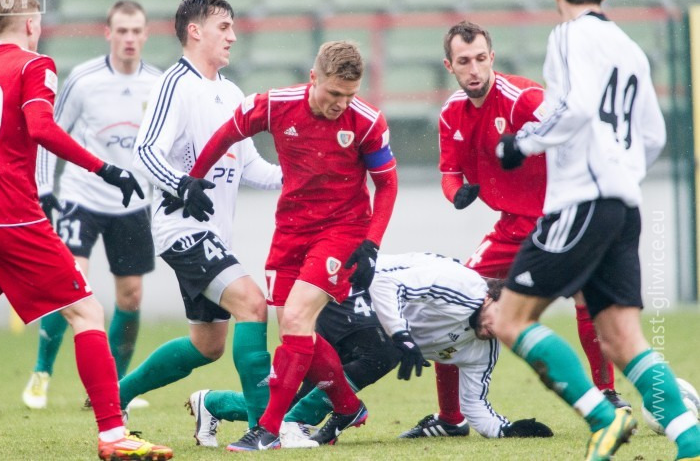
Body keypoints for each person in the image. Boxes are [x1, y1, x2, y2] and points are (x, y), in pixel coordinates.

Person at [0, 0, 171, 461]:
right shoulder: (34, 65)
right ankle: (113, 436)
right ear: (29, 24)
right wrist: (104, 169)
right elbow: (42, 128)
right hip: (12, 217)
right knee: (87, 313)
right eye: (38, 21)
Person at [493, 0, 700, 461]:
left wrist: (522, 144)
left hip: (583, 200)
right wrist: (620, 171)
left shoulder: (568, 34)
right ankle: (690, 441)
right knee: (622, 340)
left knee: (509, 319)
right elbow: (653, 136)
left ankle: (604, 418)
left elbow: (577, 106)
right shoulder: (630, 48)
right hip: (623, 205)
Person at [186, 40, 398, 450]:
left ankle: (268, 430)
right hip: (291, 230)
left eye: (349, 95)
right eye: (334, 93)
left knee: (298, 319)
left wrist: (371, 243)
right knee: (294, 331)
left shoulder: (367, 122)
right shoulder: (274, 105)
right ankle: (347, 406)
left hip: (342, 231)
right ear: (313, 77)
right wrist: (194, 178)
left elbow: (387, 185)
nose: (341, 104)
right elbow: (226, 133)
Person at [434, 21, 629, 437]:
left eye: (481, 59)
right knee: (453, 298)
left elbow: (572, 128)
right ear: (449, 65)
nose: (474, 69)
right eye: (464, 61)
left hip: (558, 219)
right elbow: (449, 173)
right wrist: (456, 194)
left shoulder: (523, 99)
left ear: (492, 57)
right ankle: (450, 419)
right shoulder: (451, 112)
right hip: (510, 228)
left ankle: (607, 394)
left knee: (587, 296)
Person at [120, 0, 282, 434]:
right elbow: (145, 152)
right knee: (253, 304)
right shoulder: (174, 84)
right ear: (195, 31)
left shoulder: (230, 93)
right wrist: (182, 185)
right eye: (223, 27)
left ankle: (116, 396)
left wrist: (301, 177)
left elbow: (251, 167)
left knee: (208, 345)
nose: (233, 36)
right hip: (182, 230)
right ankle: (265, 429)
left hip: (214, 235)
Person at [23, 0, 161, 411]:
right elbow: (48, 134)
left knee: (131, 296)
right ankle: (41, 373)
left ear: (146, 34)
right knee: (71, 284)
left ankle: (115, 387)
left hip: (133, 203)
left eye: (136, 31)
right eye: (122, 30)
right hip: (80, 197)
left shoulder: (158, 84)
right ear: (108, 33)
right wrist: (44, 188)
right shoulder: (84, 80)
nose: (129, 38)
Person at [186, 287, 402, 448]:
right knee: (381, 354)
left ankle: (214, 403)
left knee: (294, 399)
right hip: (341, 283)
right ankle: (298, 421)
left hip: (343, 281)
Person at [369, 252, 554, 440]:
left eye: (510, 324)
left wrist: (507, 430)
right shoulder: (462, 288)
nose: (500, 326)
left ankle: (449, 422)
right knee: (377, 354)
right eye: (500, 313)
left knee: (379, 354)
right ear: (488, 298)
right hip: (362, 281)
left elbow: (474, 405)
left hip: (374, 324)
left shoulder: (486, 348)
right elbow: (384, 284)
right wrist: (401, 335)